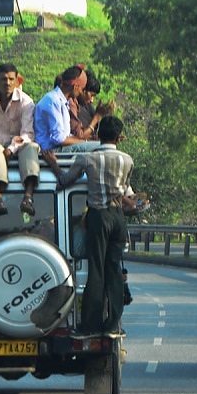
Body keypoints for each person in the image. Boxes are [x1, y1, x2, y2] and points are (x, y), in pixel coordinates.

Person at [43, 115, 133, 338]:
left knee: (97, 270)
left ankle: (91, 325)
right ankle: (113, 323)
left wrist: (54, 164)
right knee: (114, 270)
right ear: (119, 138)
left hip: (98, 216)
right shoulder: (127, 160)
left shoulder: (87, 158)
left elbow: (65, 181)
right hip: (118, 217)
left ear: (98, 135)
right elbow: (127, 190)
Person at [0, 62, 39, 216]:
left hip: (19, 147)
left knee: (31, 147)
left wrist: (11, 149)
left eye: (11, 79)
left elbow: (28, 133)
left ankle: (28, 196)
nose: (7, 83)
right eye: (4, 79)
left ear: (17, 81)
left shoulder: (26, 101)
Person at [35, 65, 100, 162]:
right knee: (100, 146)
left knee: (99, 144)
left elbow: (65, 135)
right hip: (51, 150)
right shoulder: (53, 101)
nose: (81, 92)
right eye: (82, 89)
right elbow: (58, 139)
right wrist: (84, 141)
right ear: (76, 87)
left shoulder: (62, 101)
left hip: (59, 147)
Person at [69, 69, 115, 140]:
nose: (92, 100)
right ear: (82, 90)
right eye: (91, 95)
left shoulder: (87, 106)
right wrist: (97, 116)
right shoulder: (71, 104)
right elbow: (80, 136)